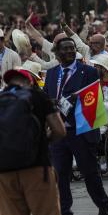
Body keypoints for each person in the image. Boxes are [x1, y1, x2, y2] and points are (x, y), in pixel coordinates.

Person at [44, 37, 108, 215]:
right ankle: (64, 210)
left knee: (90, 174)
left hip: (81, 131)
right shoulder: (51, 74)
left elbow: (95, 98)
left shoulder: (88, 72)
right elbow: (45, 99)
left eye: (72, 48)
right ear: (57, 53)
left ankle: (103, 205)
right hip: (59, 133)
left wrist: (77, 100)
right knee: (60, 175)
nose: (70, 52)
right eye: (65, 49)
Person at [0, 69, 66, 215]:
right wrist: (43, 142)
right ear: (30, 82)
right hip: (36, 167)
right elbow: (60, 130)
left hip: (4, 171)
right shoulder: (38, 96)